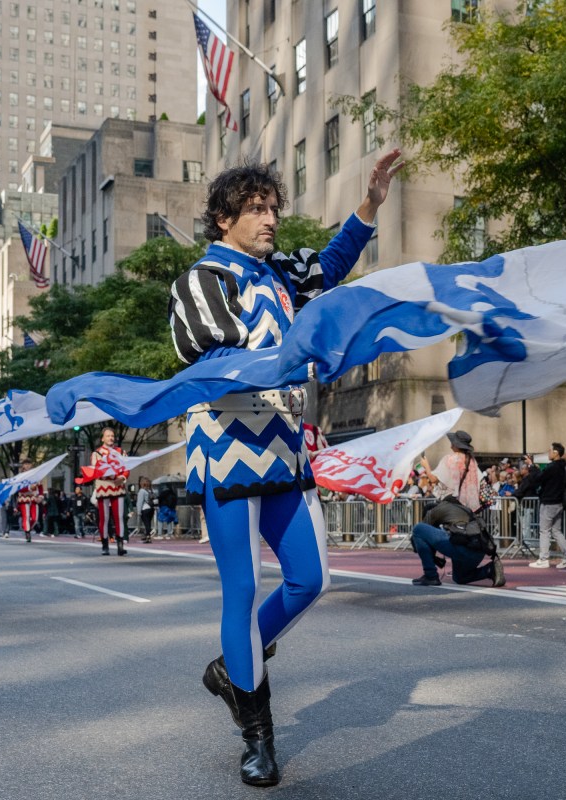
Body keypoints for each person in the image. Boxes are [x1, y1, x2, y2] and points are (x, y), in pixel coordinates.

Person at [170, 148, 403, 787]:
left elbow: (328, 265)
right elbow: (217, 356)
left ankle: (231, 666)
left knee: (312, 578)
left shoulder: (280, 274)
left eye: (272, 207)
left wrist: (371, 205)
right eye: (255, 209)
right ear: (225, 218)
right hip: (225, 451)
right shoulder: (202, 280)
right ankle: (258, 733)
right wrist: (299, 354)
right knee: (242, 591)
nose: (269, 218)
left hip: (284, 446)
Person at [409, 494, 505, 587]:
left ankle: (430, 575)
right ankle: (489, 569)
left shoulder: (438, 509)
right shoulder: (466, 509)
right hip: (479, 550)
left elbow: (419, 535)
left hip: (463, 547)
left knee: (418, 529)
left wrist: (431, 556)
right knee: (459, 577)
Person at [527, 443, 566, 569]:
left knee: (544, 531)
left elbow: (538, 478)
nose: (548, 452)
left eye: (550, 450)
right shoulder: (562, 467)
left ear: (556, 452)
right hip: (558, 502)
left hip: (549, 501)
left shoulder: (552, 467)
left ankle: (544, 558)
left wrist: (531, 466)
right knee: (556, 531)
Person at [419, 430, 482, 512]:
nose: (451, 445)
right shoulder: (472, 461)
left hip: (452, 502)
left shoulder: (449, 459)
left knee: (428, 509)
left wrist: (426, 465)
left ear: (456, 445)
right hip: (468, 506)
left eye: (452, 442)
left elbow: (433, 479)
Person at [91, 427, 130, 555]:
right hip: (103, 487)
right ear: (102, 438)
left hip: (117, 486)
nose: (110, 438)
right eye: (108, 436)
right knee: (104, 517)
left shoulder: (120, 451)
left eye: (112, 436)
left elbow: (127, 467)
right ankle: (105, 544)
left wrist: (123, 477)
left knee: (119, 517)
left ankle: (120, 545)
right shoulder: (97, 453)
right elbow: (94, 470)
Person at [15, 460, 45, 543]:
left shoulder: (36, 475)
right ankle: (27, 532)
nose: (27, 466)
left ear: (31, 465)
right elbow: (18, 488)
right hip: (24, 498)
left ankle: (27, 528)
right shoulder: (20, 476)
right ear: (23, 466)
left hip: (34, 498)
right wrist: (29, 488)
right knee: (26, 516)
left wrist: (41, 497)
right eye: (25, 464)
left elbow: (40, 488)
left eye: (29, 464)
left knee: (35, 518)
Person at [135, 477, 155, 543]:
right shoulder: (151, 490)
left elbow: (140, 502)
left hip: (145, 508)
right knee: (148, 523)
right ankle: (147, 535)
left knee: (146, 524)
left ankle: (148, 537)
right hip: (151, 508)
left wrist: (138, 511)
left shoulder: (142, 491)